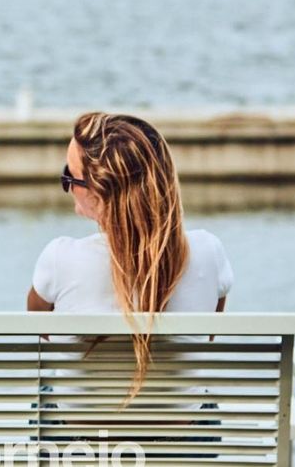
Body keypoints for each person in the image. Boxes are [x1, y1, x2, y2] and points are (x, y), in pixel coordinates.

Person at [27, 111, 234, 399]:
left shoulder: (59, 258)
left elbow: (41, 331)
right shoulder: (208, 251)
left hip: (81, 426)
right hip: (181, 425)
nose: (68, 187)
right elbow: (208, 334)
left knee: (47, 388)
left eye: (70, 176)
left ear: (98, 193)